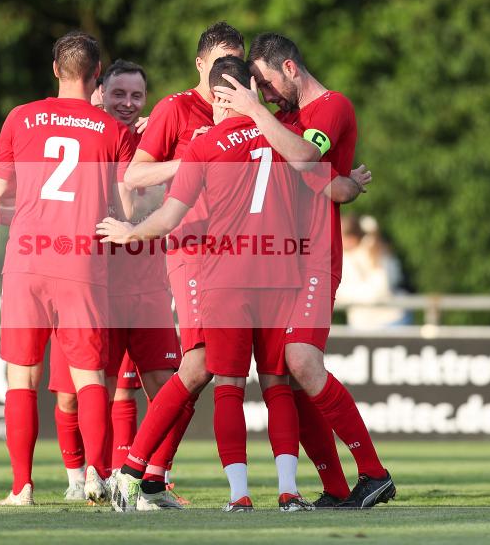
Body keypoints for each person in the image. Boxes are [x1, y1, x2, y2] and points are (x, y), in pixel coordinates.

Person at [102, 54, 326, 512]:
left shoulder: (206, 145)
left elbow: (168, 216)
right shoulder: (283, 138)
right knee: (277, 384)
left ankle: (239, 496)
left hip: (225, 279)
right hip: (281, 276)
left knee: (227, 385)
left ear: (220, 94)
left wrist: (130, 231)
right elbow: (314, 165)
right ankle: (289, 492)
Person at [216, 32, 394, 508]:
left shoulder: (332, 107)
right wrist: (343, 185)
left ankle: (374, 474)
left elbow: (305, 156)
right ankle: (337, 489)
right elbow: (321, 181)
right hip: (280, 262)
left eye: (268, 85)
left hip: (316, 257)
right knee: (288, 378)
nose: (266, 96)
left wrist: (256, 112)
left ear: (290, 68)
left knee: (300, 361)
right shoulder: (286, 120)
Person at [0, 31, 133, 506]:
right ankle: (95, 475)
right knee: (89, 378)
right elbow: (125, 204)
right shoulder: (113, 130)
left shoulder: (20, 117)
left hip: (26, 260)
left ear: (54, 71)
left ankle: (21, 486)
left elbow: (2, 190)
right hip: (81, 261)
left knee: (21, 378)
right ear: (97, 75)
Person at [44, 60, 180, 504]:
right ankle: (82, 476)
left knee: (167, 386)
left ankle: (146, 478)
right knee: (76, 394)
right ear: (98, 92)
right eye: (118, 94)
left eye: (136, 96)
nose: (127, 103)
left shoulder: (152, 144)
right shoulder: (86, 140)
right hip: (89, 285)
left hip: (145, 285)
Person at [336, 214, 410, 328]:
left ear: (351, 237)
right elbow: (338, 294)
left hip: (391, 321)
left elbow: (381, 289)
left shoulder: (377, 252)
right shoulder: (343, 258)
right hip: (360, 324)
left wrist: (353, 295)